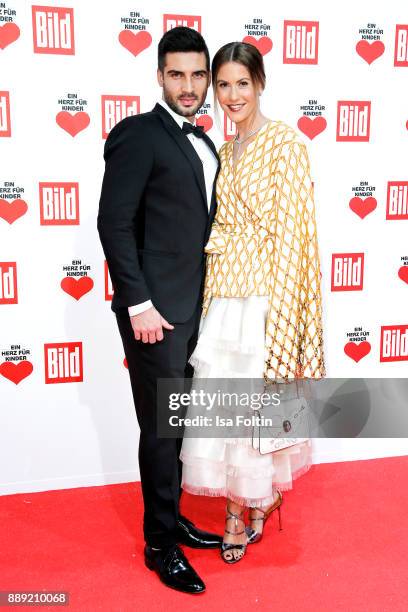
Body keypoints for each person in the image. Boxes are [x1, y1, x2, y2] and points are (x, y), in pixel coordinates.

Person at [180, 42, 326, 564]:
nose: (232, 94)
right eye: (223, 85)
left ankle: (244, 509)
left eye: (243, 82)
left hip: (265, 296)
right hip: (225, 292)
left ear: (260, 83)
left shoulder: (285, 143)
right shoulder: (225, 148)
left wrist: (283, 322)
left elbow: (294, 237)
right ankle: (244, 503)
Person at [97, 27, 223, 594]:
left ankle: (171, 520)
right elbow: (114, 224)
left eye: (199, 74)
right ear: (159, 77)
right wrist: (139, 304)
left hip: (198, 311)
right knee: (161, 428)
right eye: (178, 74)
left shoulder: (204, 141)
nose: (190, 85)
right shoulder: (138, 135)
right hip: (157, 316)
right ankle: (159, 545)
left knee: (179, 425)